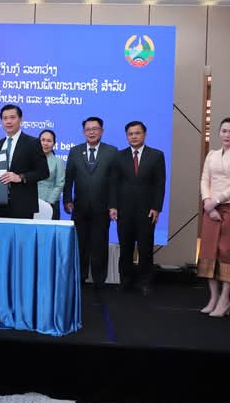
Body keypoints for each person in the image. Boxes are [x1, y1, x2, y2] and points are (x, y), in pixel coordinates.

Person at [197, 117, 230, 317]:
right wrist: (207, 202)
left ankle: (225, 299)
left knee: (229, 252)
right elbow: (205, 179)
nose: (227, 135)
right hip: (211, 206)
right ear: (219, 133)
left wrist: (216, 200)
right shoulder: (212, 154)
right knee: (209, 250)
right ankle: (213, 297)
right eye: (224, 131)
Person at [63, 117, 119, 288]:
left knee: (99, 244)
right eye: (88, 129)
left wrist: (113, 205)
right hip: (79, 207)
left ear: (102, 131)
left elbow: (115, 182)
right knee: (80, 244)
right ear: (83, 132)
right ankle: (80, 277)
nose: (92, 132)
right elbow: (69, 178)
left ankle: (99, 279)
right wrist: (67, 199)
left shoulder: (112, 152)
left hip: (102, 208)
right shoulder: (75, 151)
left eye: (95, 129)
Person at [114, 121, 166, 296]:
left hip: (147, 211)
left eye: (137, 133)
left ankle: (145, 282)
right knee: (125, 248)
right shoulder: (119, 156)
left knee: (145, 249)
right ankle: (125, 281)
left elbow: (160, 184)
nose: (134, 136)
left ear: (144, 134)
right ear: (126, 136)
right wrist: (113, 206)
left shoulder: (156, 155)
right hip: (124, 211)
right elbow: (114, 183)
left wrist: (156, 207)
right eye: (130, 134)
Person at [0, 104, 49, 219]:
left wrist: (20, 177)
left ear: (20, 119)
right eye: (5, 118)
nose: (8, 121)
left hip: (22, 205)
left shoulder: (32, 143)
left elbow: (43, 172)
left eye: (12, 117)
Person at [37, 129, 65, 220]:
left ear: (54, 144)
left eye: (49, 141)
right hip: (31, 202)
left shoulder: (58, 161)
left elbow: (60, 184)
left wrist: (49, 202)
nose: (45, 143)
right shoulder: (30, 159)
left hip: (50, 203)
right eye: (43, 140)